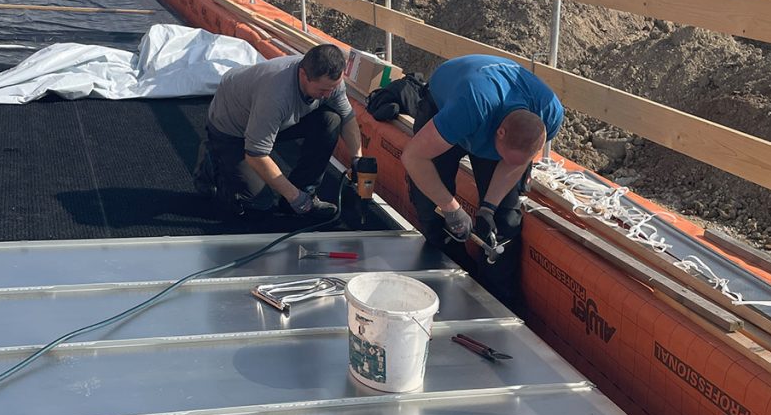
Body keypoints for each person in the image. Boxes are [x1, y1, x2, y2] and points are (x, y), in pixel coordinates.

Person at [402, 54, 564, 307]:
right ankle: (446, 287)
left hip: (492, 118)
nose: (508, 163)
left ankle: (495, 301)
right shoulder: (468, 108)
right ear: (498, 133)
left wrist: (489, 207)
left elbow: (515, 163)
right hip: (449, 103)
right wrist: (451, 208)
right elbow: (413, 157)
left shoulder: (550, 113)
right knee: (431, 206)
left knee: (504, 218)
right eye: (504, 157)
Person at [194, 43, 362, 221]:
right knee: (258, 202)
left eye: (333, 88)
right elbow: (256, 154)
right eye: (323, 90)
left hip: (269, 119)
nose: (328, 95)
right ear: (303, 75)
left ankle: (305, 190)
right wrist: (295, 198)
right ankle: (212, 162)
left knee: (331, 120)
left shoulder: (330, 81)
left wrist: (357, 159)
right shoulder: (275, 96)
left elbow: (347, 117)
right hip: (231, 129)